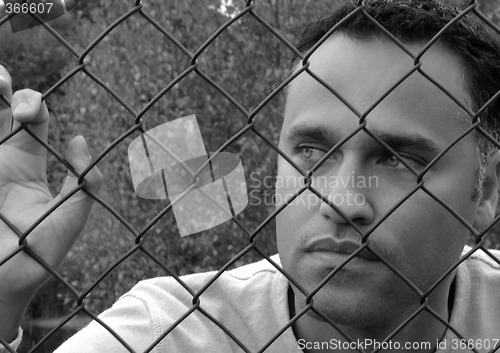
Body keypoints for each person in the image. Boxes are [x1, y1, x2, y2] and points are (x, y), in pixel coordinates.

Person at [1, 0, 500, 352]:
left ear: (487, 191)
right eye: (311, 150)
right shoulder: (165, 332)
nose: (343, 201)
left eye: (398, 159)